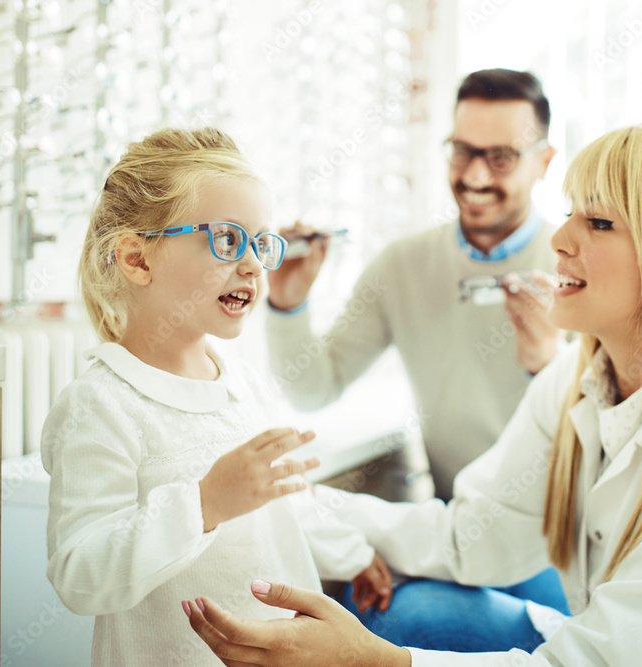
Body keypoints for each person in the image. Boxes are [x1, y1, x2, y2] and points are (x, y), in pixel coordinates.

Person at [184, 125, 642, 665]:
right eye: (568, 215)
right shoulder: (576, 379)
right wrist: (295, 505)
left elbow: (601, 664)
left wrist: (378, 663)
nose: (559, 241)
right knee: (400, 610)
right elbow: (474, 537)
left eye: (599, 223)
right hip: (594, 635)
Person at [41, 127, 394, 667]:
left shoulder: (242, 383)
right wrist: (203, 505)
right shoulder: (100, 405)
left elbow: (285, 499)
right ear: (137, 259)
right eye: (228, 240)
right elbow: (81, 577)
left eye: (260, 242)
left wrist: (354, 554)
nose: (253, 264)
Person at [266, 68, 561, 502]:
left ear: (544, 163)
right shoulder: (402, 265)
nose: (476, 177)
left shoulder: (575, 264)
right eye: (463, 152)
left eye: (501, 157)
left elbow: (614, 438)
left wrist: (549, 367)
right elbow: (312, 389)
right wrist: (287, 305)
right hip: (455, 526)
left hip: (561, 537)